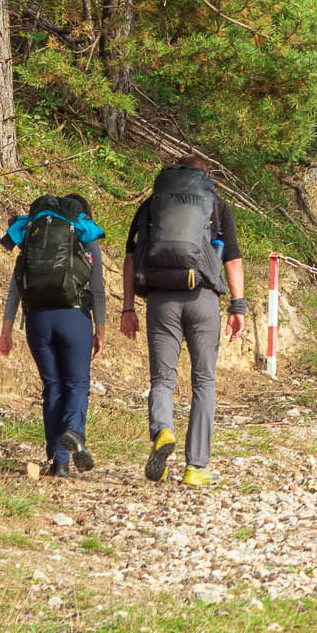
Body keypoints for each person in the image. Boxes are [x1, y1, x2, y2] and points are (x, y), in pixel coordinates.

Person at [119, 156, 247, 487]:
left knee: (162, 378)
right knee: (203, 382)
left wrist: (128, 307)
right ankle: (196, 467)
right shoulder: (217, 205)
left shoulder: (152, 204)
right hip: (202, 298)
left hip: (161, 299)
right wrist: (238, 306)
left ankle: (162, 429)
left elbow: (131, 258)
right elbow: (232, 259)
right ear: (207, 178)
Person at [0, 192, 105, 476]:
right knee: (77, 384)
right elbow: (98, 289)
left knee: (53, 386)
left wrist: (6, 330)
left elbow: (15, 288)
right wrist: (100, 329)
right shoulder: (85, 234)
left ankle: (59, 462)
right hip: (73, 317)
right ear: (81, 214)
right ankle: (73, 432)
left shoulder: (34, 234)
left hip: (37, 320)